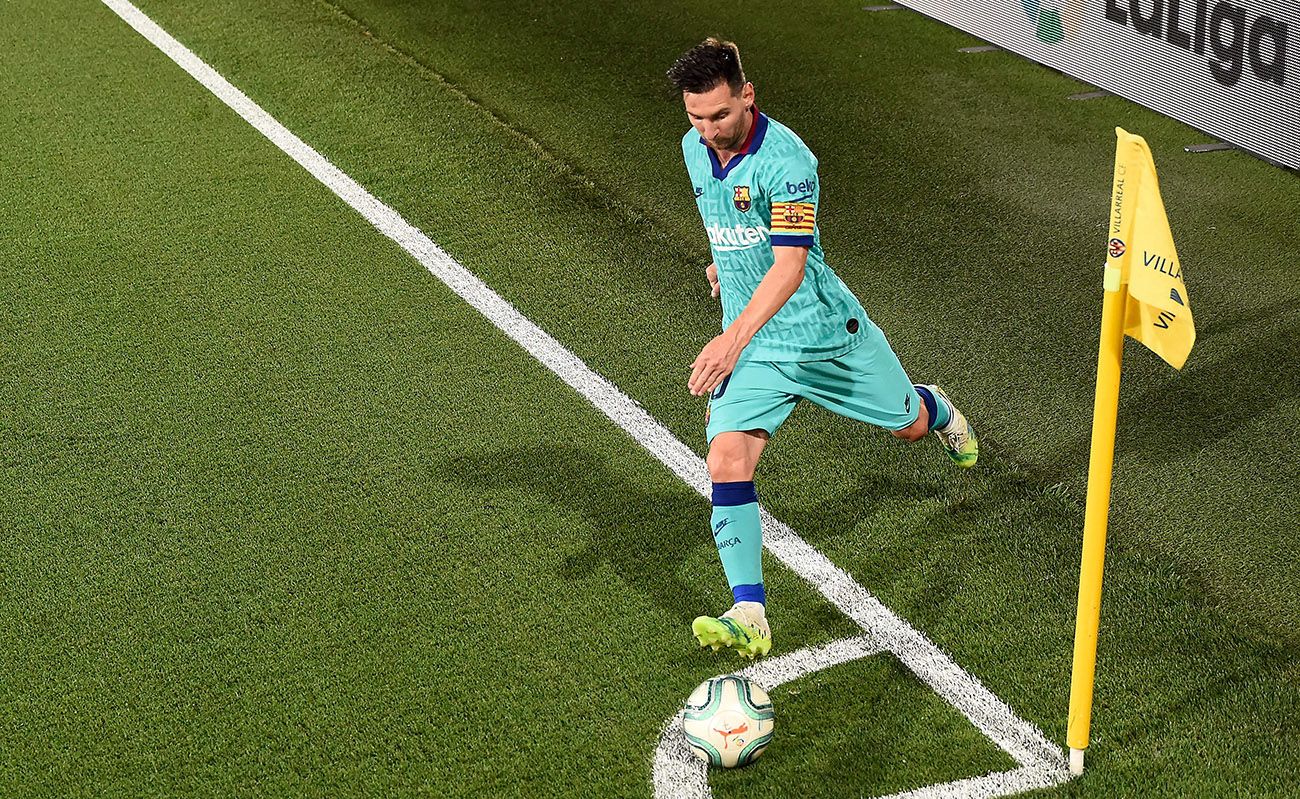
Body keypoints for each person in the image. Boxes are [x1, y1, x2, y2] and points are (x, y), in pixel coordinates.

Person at [667, 38, 979, 659]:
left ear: (747, 96)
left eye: (720, 116)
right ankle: (749, 611)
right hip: (757, 347)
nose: (708, 130)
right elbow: (731, 228)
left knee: (909, 427)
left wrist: (731, 336)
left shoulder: (788, 162)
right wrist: (723, 267)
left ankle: (937, 407)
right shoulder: (694, 148)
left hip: (824, 339)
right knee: (727, 460)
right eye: (696, 118)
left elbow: (788, 266)